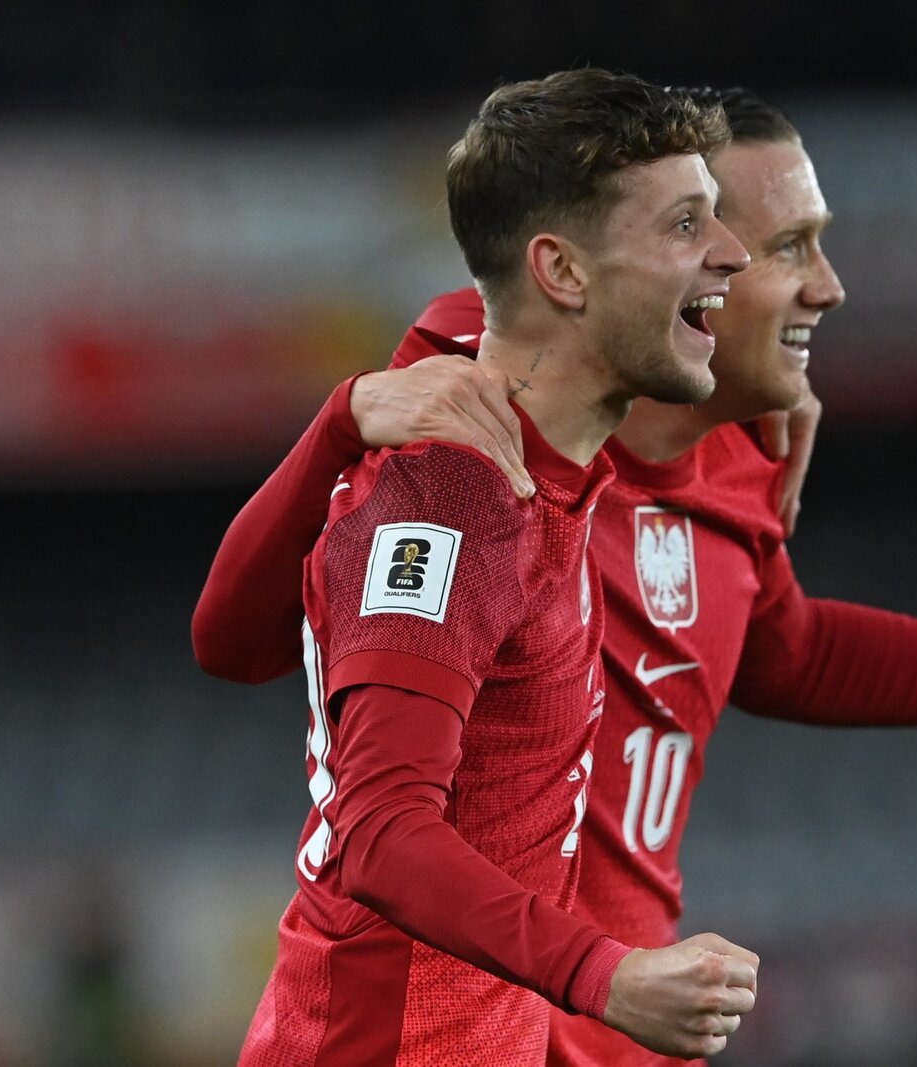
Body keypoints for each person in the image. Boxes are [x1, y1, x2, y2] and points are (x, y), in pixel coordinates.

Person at [197, 87, 917, 1066]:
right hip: (477, 1022)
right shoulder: (468, 439)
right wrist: (348, 412)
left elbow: (787, 652)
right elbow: (344, 773)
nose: (825, 285)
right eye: (773, 243)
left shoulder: (697, 460)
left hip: (586, 1030)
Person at [231, 70, 761, 1066]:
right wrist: (606, 975)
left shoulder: (489, 394)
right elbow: (382, 833)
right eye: (685, 224)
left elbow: (229, 640)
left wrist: (340, 418)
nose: (730, 252)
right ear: (562, 271)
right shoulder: (456, 498)